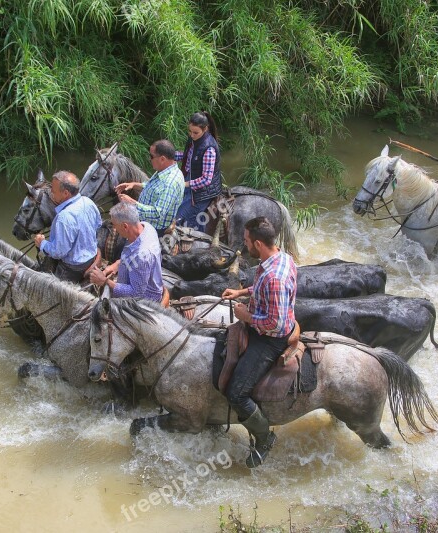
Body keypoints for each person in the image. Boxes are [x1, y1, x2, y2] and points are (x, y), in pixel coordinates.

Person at [221, 217, 297, 468]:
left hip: (271, 340)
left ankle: (265, 438)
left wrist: (247, 317)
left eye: (245, 242)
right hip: (267, 323)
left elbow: (275, 324)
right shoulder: (280, 257)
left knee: (237, 392)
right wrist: (242, 292)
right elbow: (263, 288)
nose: (243, 247)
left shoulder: (274, 276)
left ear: (258, 243)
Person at [88, 202, 165, 303]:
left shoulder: (141, 256)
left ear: (125, 226)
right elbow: (132, 258)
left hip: (143, 301)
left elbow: (136, 293)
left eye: (115, 225)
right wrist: (116, 265)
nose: (114, 229)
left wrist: (105, 281)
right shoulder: (147, 227)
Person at [34, 171, 102, 283]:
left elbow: (58, 252)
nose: (51, 193)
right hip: (92, 256)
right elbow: (98, 225)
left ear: (65, 193)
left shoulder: (63, 217)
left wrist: (42, 243)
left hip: (73, 268)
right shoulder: (88, 201)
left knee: (50, 293)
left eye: (54, 191)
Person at [115, 139, 184, 237]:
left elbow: (157, 214)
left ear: (162, 159)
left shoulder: (170, 183)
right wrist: (134, 184)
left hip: (154, 229)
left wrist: (133, 203)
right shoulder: (164, 170)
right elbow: (154, 186)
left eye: (151, 156)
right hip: (144, 220)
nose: (149, 159)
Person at [175, 111, 223, 232]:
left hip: (203, 191)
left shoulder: (209, 148)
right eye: (190, 131)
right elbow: (188, 157)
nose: (191, 135)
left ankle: (193, 239)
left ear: (205, 129)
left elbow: (206, 179)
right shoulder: (194, 139)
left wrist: (185, 184)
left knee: (180, 218)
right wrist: (169, 155)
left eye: (195, 132)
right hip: (190, 180)